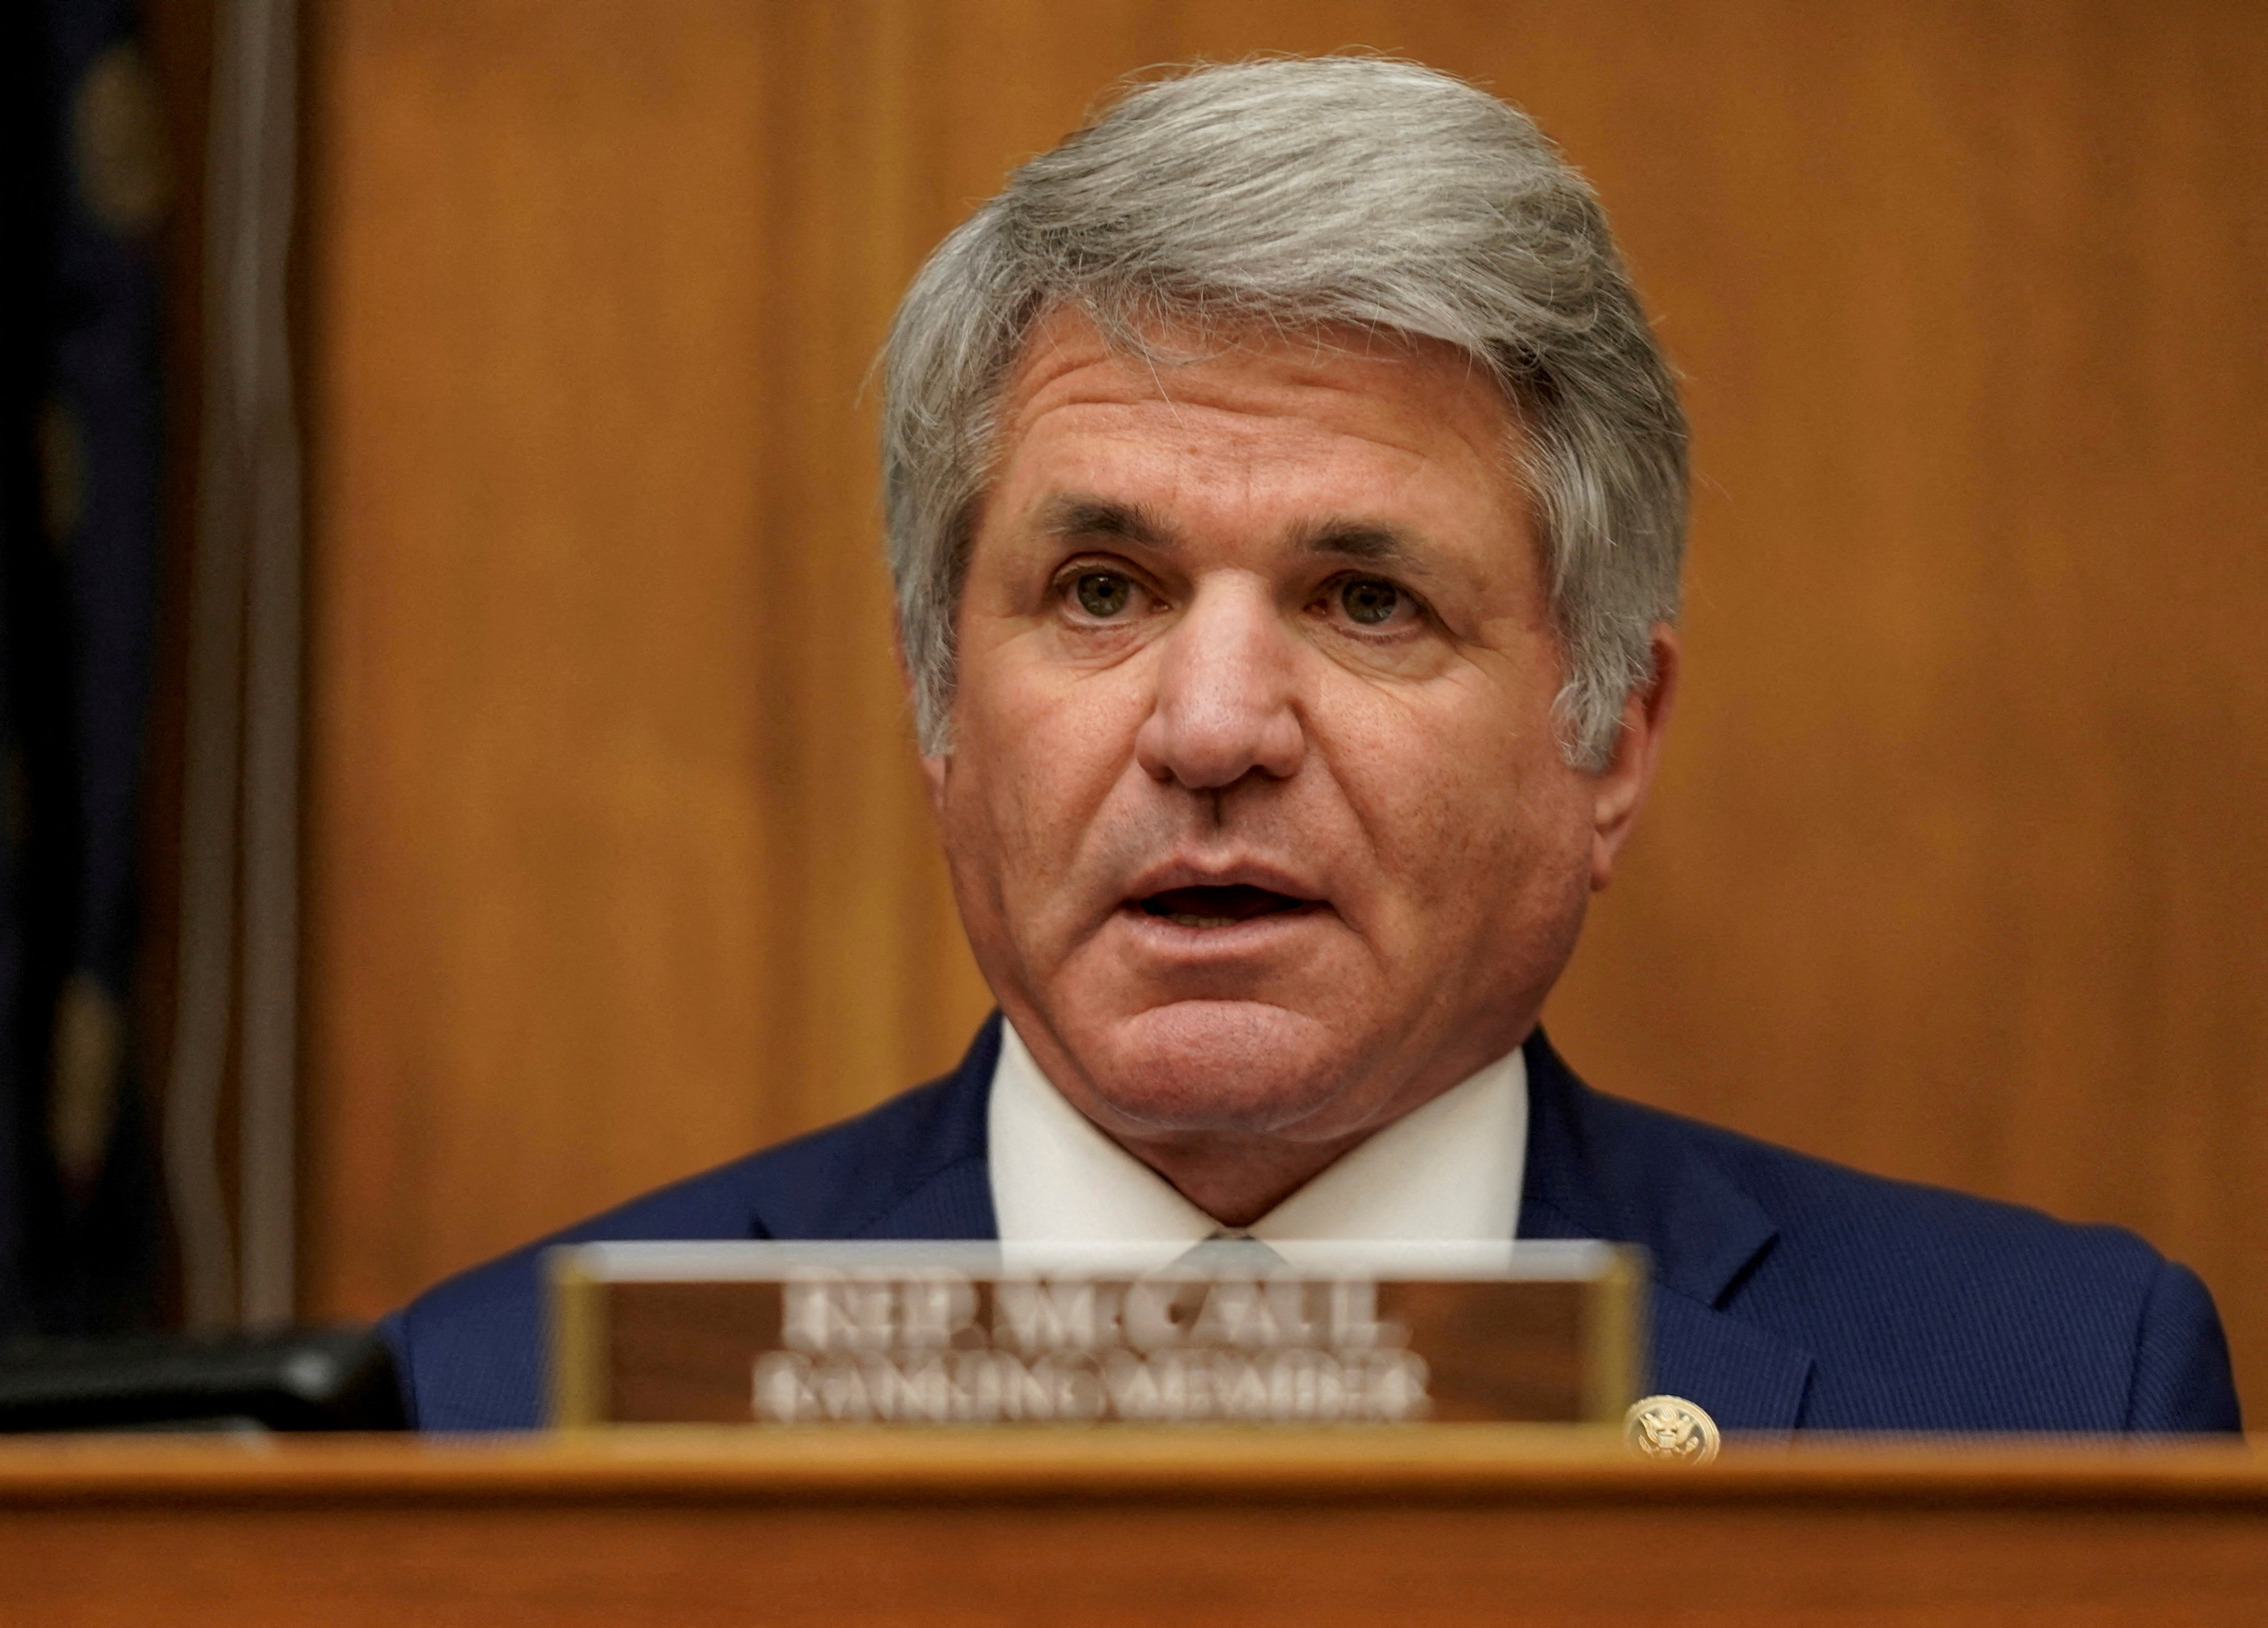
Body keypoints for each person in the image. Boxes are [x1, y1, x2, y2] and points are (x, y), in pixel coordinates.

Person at [382, 56, 2240, 1434]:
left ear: (1612, 737)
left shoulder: (2050, 1399)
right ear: (940, 702)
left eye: (1369, 603)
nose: (1209, 731)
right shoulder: (490, 1414)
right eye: (1102, 592)